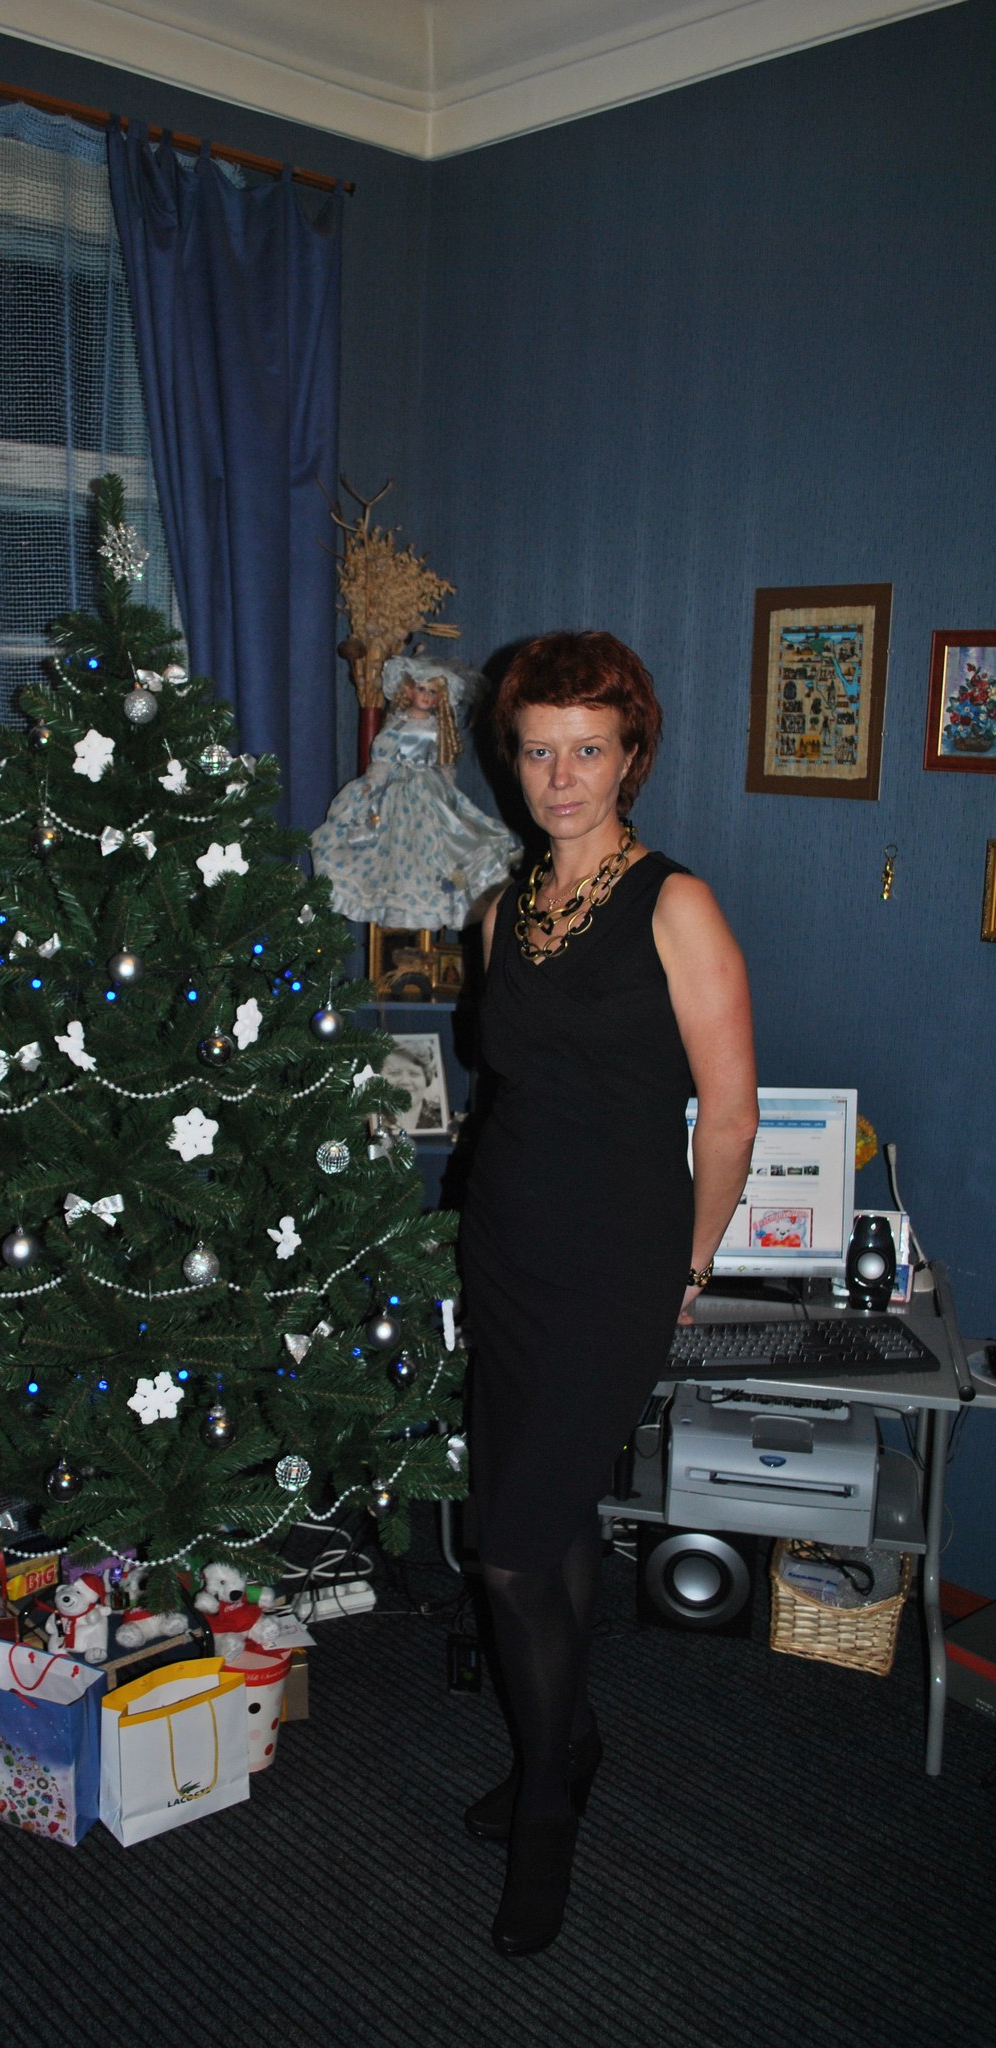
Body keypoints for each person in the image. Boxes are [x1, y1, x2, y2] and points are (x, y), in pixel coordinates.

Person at [459, 630, 757, 1957]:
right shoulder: (499, 909)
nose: (562, 775)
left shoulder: (676, 906)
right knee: (549, 1506)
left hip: (615, 1261)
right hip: (506, 1249)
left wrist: (689, 1264)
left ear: (630, 754)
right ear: (513, 758)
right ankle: (566, 1735)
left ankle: (546, 1803)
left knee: (511, 1547)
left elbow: (730, 1115)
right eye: (539, 750)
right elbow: (511, 1088)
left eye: (588, 748)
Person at [310, 657, 519, 928]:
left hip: (428, 788)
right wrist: (373, 782)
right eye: (422, 689)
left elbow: (442, 763)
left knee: (438, 838)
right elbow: (383, 756)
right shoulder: (398, 723)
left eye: (432, 692)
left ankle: (431, 897)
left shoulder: (436, 728)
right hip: (397, 788)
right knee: (393, 842)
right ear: (408, 690)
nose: (426, 696)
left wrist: (448, 789)